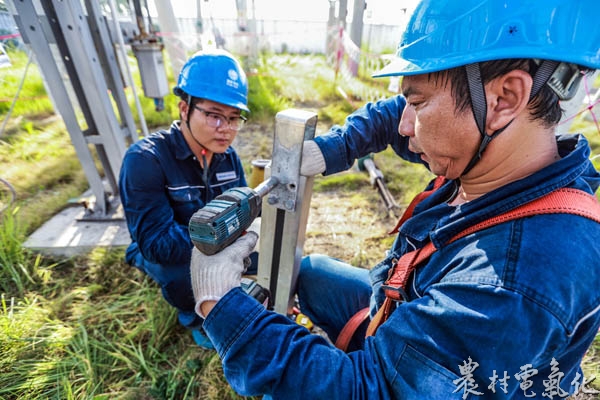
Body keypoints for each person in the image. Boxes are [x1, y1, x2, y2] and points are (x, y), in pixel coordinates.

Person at [189, 0, 600, 398]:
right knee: (309, 274)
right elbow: (393, 116)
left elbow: (370, 391)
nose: (404, 124)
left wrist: (222, 307)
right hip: (402, 306)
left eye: (417, 102)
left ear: (504, 98)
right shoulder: (498, 159)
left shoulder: (512, 283)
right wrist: (336, 147)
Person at [119, 49, 252, 349]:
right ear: (184, 109)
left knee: (257, 258)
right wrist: (220, 242)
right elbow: (156, 243)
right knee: (180, 273)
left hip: (211, 240)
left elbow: (241, 213)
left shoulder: (227, 158)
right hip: (164, 249)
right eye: (215, 116)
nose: (226, 130)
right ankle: (193, 319)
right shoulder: (145, 160)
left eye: (234, 119)